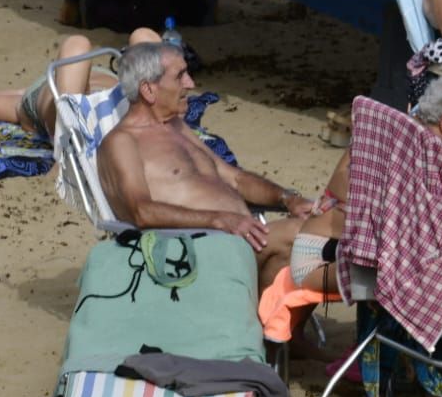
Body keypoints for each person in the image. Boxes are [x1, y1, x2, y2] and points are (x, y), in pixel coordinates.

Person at [97, 42, 314, 288]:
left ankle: (269, 324)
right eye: (180, 76)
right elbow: (141, 212)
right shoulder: (122, 142)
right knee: (307, 239)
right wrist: (220, 220)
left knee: (322, 228)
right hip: (194, 250)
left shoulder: (176, 127)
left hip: (239, 240)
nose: (190, 84)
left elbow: (235, 179)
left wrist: (288, 198)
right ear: (148, 90)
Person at [287, 75, 442, 295]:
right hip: (320, 257)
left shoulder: (435, 155)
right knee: (435, 279)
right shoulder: (389, 134)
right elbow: (340, 185)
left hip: (360, 254)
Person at [0, 29, 159, 140]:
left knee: (78, 44)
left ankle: (68, 144)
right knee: (141, 37)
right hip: (107, 90)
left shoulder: (31, 98)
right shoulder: (31, 98)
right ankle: (68, 144)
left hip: (80, 96)